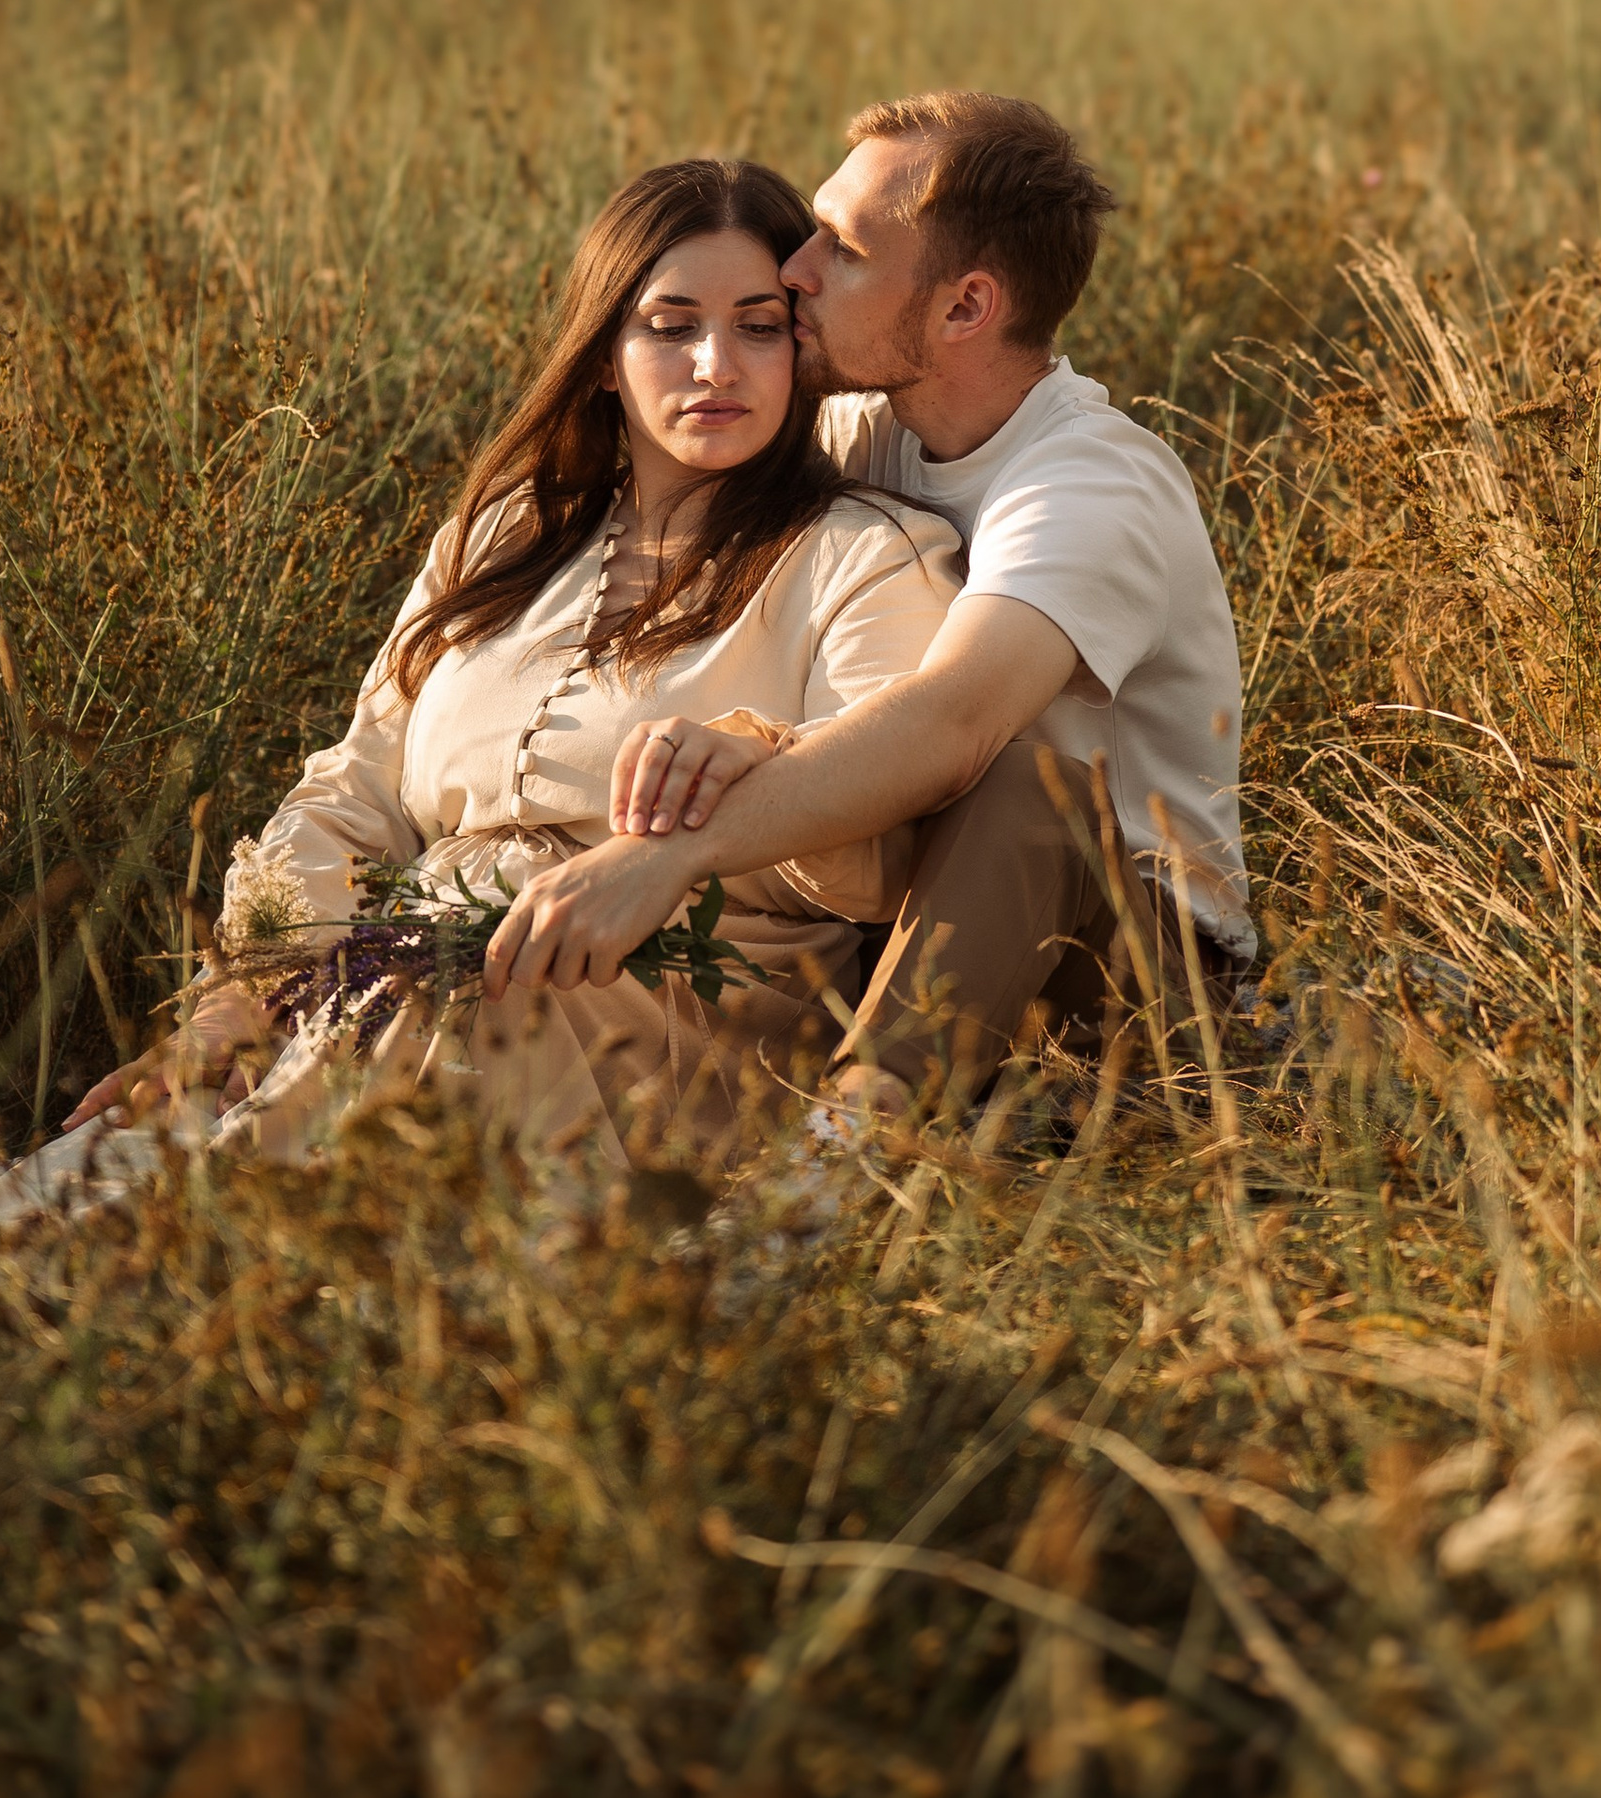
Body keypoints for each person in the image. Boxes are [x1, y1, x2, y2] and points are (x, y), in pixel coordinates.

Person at [41, 155, 961, 1188]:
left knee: (230, 1187)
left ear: (799, 346)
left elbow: (881, 855)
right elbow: (357, 786)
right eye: (669, 324)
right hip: (396, 979)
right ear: (605, 353)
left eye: (757, 324)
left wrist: (744, 765)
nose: (717, 363)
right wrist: (243, 993)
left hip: (677, 1025)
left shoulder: (868, 552)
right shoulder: (503, 535)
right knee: (82, 1187)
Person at [480, 92, 1251, 1126]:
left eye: (839, 249)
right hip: (898, 937)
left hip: (1131, 987)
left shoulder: (1087, 485)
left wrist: (671, 851)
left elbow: (953, 725)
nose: (792, 267)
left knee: (1030, 789)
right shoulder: (865, 431)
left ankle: (835, 1168)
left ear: (964, 308)